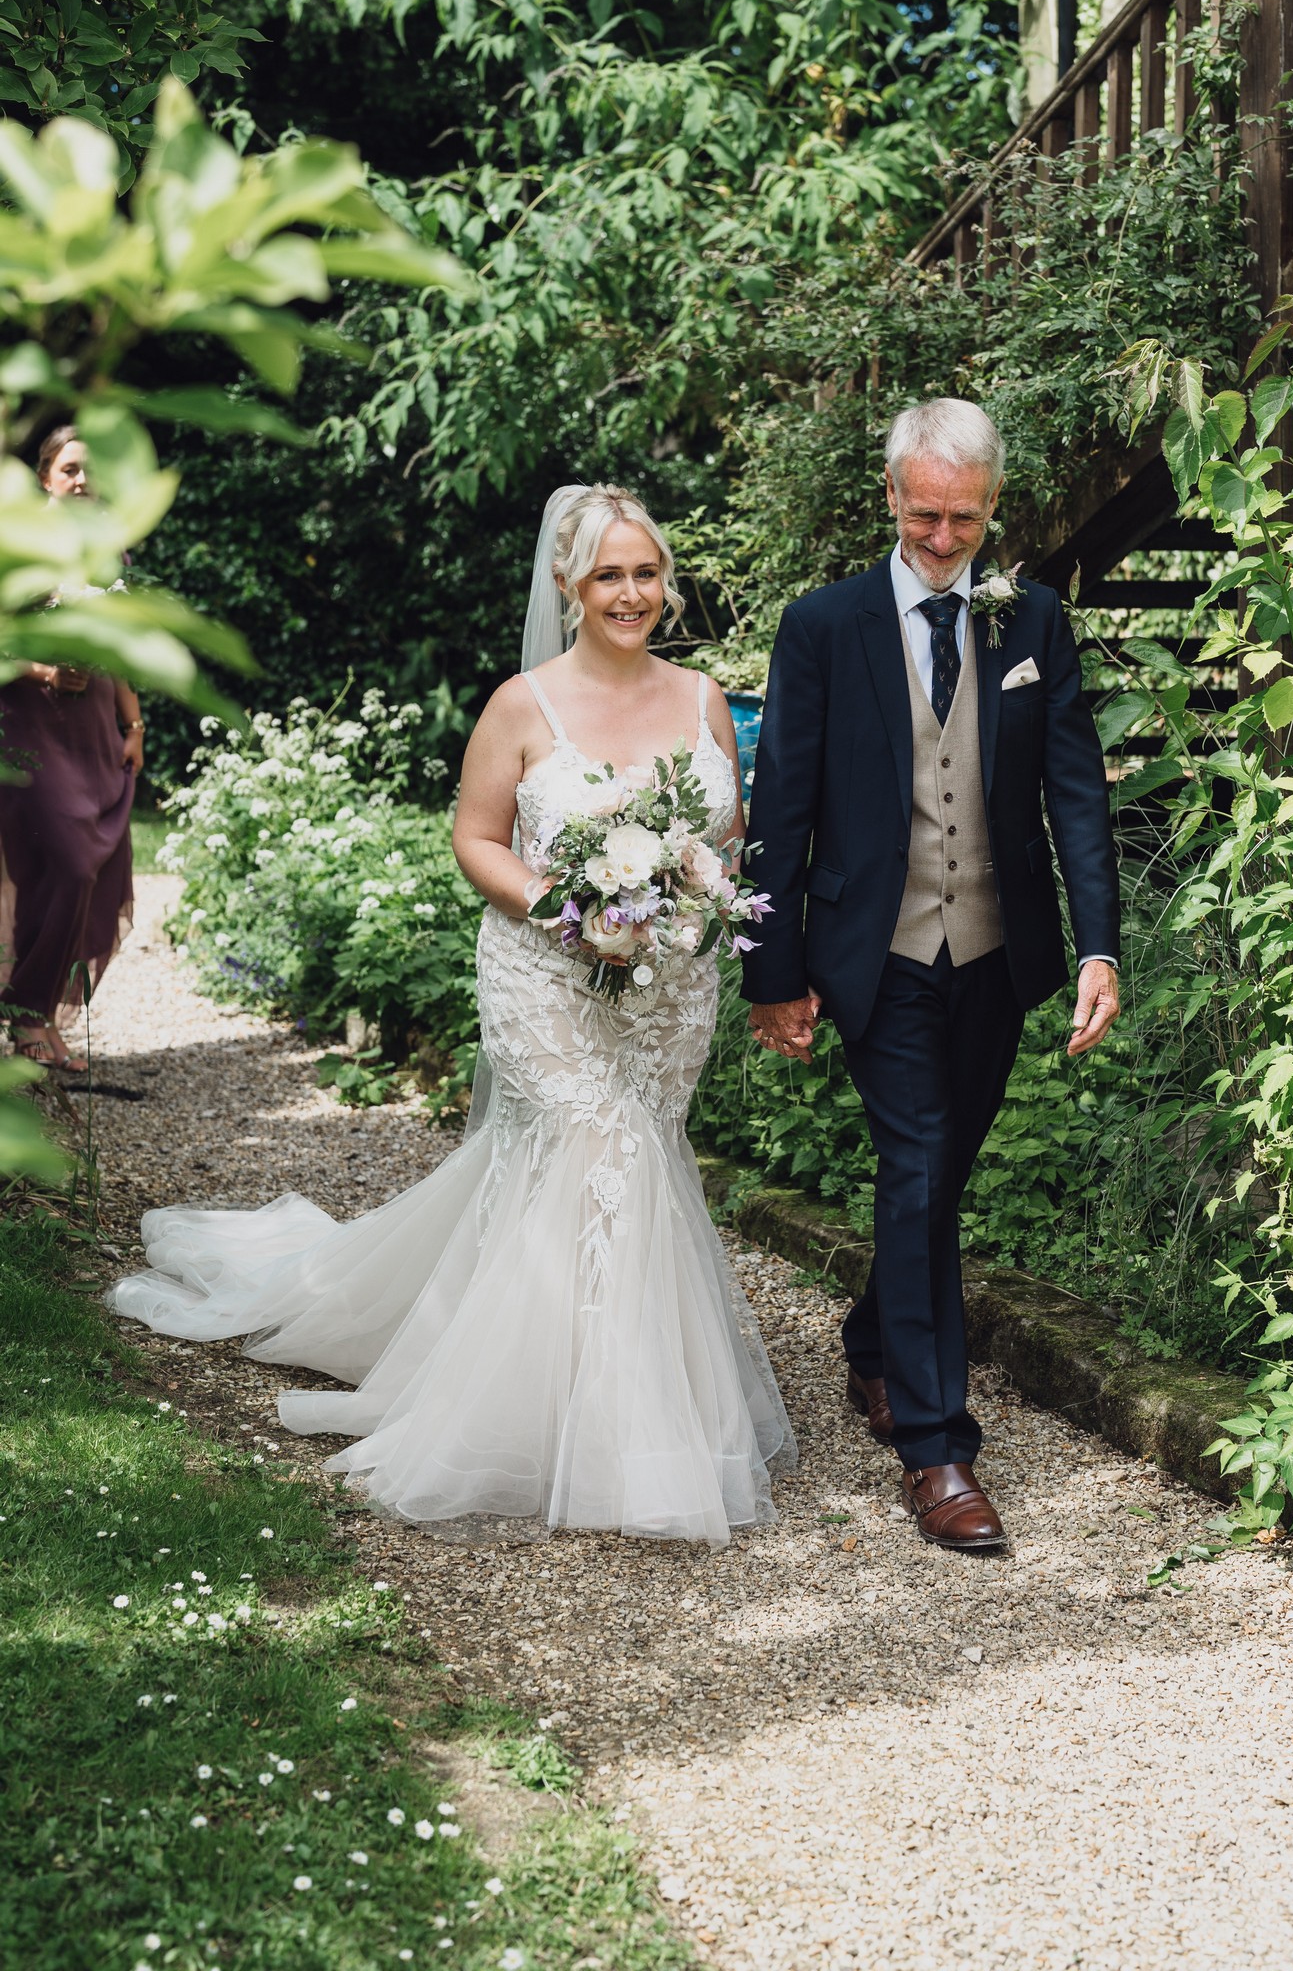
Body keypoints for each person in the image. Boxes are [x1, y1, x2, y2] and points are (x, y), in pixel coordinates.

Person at [110, 484, 795, 1545]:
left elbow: (727, 829)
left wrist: (692, 887)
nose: (631, 594)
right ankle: (606, 1434)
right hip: (546, 971)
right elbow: (475, 839)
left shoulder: (705, 698)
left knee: (636, 1153)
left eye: (647, 573)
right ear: (567, 584)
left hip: (667, 987)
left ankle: (580, 1384)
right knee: (597, 1148)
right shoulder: (524, 705)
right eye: (608, 575)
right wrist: (569, 910)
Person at [743, 398, 1120, 1554]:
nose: (944, 539)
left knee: (940, 1173)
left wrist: (1099, 945)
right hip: (878, 951)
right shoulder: (823, 626)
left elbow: (1074, 792)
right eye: (924, 516)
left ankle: (874, 1346)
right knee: (914, 1168)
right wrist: (772, 971)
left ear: (992, 505)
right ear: (892, 499)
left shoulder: (1032, 621)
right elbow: (782, 806)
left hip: (997, 952)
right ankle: (936, 1448)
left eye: (963, 518)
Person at [0, 425, 142, 1072]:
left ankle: (38, 1014)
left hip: (95, 734)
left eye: (92, 470)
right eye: (70, 469)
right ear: (45, 478)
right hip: (31, 727)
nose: (83, 481)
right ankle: (26, 1008)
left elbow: (123, 649)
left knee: (96, 872)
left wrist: (133, 726)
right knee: (67, 862)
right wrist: (46, 672)